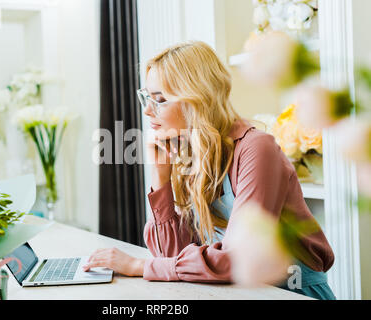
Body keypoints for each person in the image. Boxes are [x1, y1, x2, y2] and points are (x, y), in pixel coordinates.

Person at [83, 41, 336, 300]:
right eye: (147, 97)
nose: (147, 110)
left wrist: (138, 265)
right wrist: (160, 179)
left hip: (291, 292)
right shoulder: (192, 154)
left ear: (197, 100)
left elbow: (238, 257)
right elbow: (172, 258)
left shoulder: (257, 149)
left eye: (159, 100)